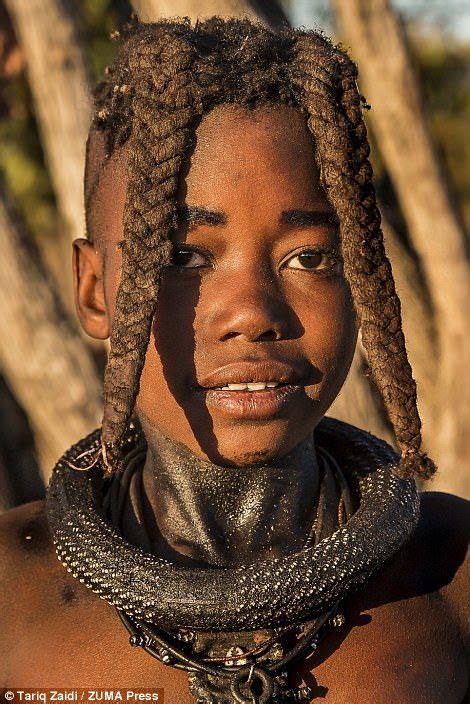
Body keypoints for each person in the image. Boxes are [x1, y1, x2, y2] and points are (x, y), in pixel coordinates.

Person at [0, 17, 468, 703]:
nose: (253, 313)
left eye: (308, 258)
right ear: (96, 290)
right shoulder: (12, 594)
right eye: (185, 258)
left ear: (361, 279)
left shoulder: (453, 581)